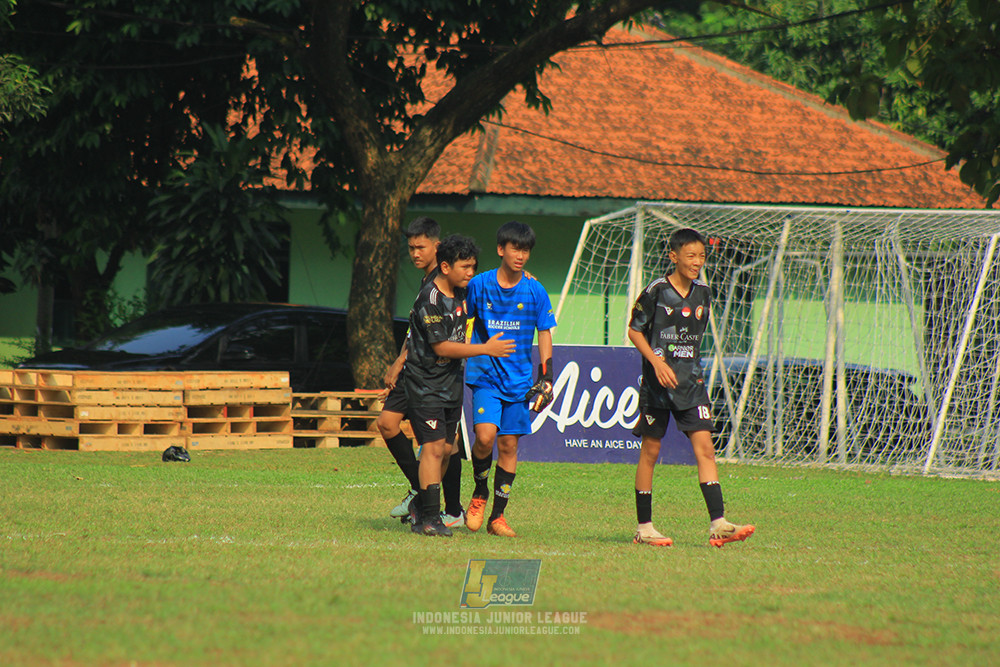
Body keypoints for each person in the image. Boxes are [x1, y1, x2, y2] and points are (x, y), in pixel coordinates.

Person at [627, 227, 755, 548]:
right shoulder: (656, 290)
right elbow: (634, 331)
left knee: (706, 449)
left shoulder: (704, 293)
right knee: (651, 451)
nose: (697, 262)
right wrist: (657, 363)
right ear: (674, 257)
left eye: (701, 256)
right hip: (658, 386)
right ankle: (644, 528)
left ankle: (719, 524)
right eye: (690, 256)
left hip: (692, 384)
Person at [402, 234, 514, 537]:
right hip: (425, 384)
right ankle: (429, 517)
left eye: (473, 267)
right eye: (465, 267)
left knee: (448, 448)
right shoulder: (430, 298)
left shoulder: (463, 292)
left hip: (449, 384)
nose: (470, 273)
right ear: (445, 266)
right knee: (434, 449)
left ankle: (421, 507)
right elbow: (441, 347)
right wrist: (486, 349)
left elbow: (496, 280)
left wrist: (521, 273)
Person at [463, 221, 557, 538]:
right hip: (485, 376)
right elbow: (462, 316)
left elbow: (544, 333)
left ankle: (498, 517)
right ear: (501, 249)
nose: (520, 255)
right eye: (515, 248)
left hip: (518, 382)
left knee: (508, 445)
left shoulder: (535, 289)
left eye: (526, 249)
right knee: (485, 437)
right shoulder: (479, 285)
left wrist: (547, 377)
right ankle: (479, 492)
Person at [377, 217, 465, 528]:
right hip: (416, 367)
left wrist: (400, 361)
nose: (414, 253)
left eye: (420, 247)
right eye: (411, 248)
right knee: (388, 424)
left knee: (443, 445)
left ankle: (445, 507)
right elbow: (416, 330)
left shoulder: (445, 280)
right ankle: (423, 493)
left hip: (432, 375)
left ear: (437, 247)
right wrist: (399, 360)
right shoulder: (426, 281)